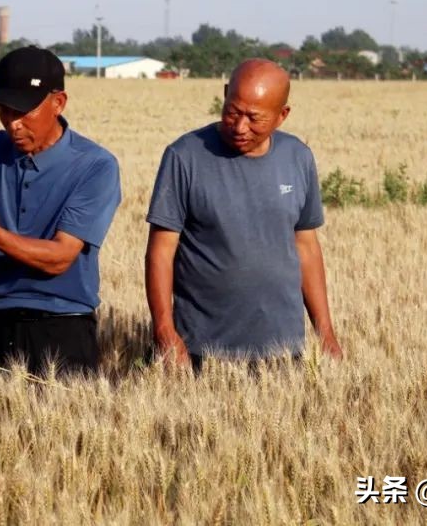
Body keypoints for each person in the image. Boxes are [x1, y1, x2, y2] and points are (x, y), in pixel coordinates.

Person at [0, 46, 121, 384]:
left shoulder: (95, 166)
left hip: (61, 328)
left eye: (24, 110)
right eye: (3, 110)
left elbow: (59, 258)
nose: (12, 123)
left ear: (59, 102)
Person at [145, 58, 342, 372]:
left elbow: (305, 246)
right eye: (233, 112)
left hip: (282, 346)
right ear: (224, 94)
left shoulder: (298, 158)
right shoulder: (184, 156)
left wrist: (325, 331)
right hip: (199, 347)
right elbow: (161, 251)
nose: (239, 127)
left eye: (254, 118)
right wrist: (164, 331)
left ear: (282, 116)